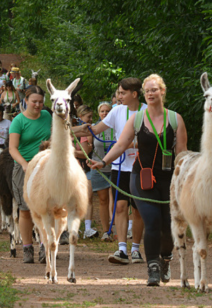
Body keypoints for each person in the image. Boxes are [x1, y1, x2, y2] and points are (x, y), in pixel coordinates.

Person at [91, 73, 188, 286]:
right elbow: (121, 144)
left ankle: (166, 258)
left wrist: (183, 181)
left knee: (167, 225)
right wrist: (103, 162)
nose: (151, 93)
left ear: (162, 91)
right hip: (142, 177)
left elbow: (181, 154)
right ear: (143, 94)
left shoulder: (175, 118)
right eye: (148, 90)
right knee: (151, 221)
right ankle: (152, 267)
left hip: (169, 179)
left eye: (155, 89)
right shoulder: (136, 119)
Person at [76, 77, 146, 265]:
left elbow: (154, 139)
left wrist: (128, 145)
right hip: (119, 166)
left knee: (138, 210)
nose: (119, 96)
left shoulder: (147, 111)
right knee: (120, 206)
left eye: (123, 93)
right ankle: (122, 248)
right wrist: (73, 129)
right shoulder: (116, 112)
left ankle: (136, 248)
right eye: (118, 93)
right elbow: (96, 130)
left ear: (134, 94)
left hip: (139, 167)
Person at [9, 86, 52, 264]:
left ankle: (44, 245)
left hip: (45, 165)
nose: (37, 105)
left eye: (41, 102)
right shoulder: (18, 121)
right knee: (25, 209)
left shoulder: (47, 116)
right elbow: (12, 148)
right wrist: (25, 164)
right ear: (26, 101)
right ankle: (27, 248)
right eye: (34, 101)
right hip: (25, 167)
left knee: (45, 209)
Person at [74, 105, 99, 239]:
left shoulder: (85, 132)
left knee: (88, 197)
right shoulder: (75, 131)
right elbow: (84, 151)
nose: (90, 119)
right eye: (88, 117)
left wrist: (73, 152)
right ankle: (73, 227)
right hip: (74, 169)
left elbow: (86, 153)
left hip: (86, 168)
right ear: (80, 117)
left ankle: (88, 228)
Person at [92, 102, 114, 242]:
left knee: (118, 200)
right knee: (103, 200)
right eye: (102, 111)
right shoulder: (95, 127)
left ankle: (119, 229)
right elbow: (87, 146)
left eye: (107, 111)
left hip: (115, 167)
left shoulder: (116, 126)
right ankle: (106, 231)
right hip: (99, 168)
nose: (105, 114)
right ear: (98, 113)